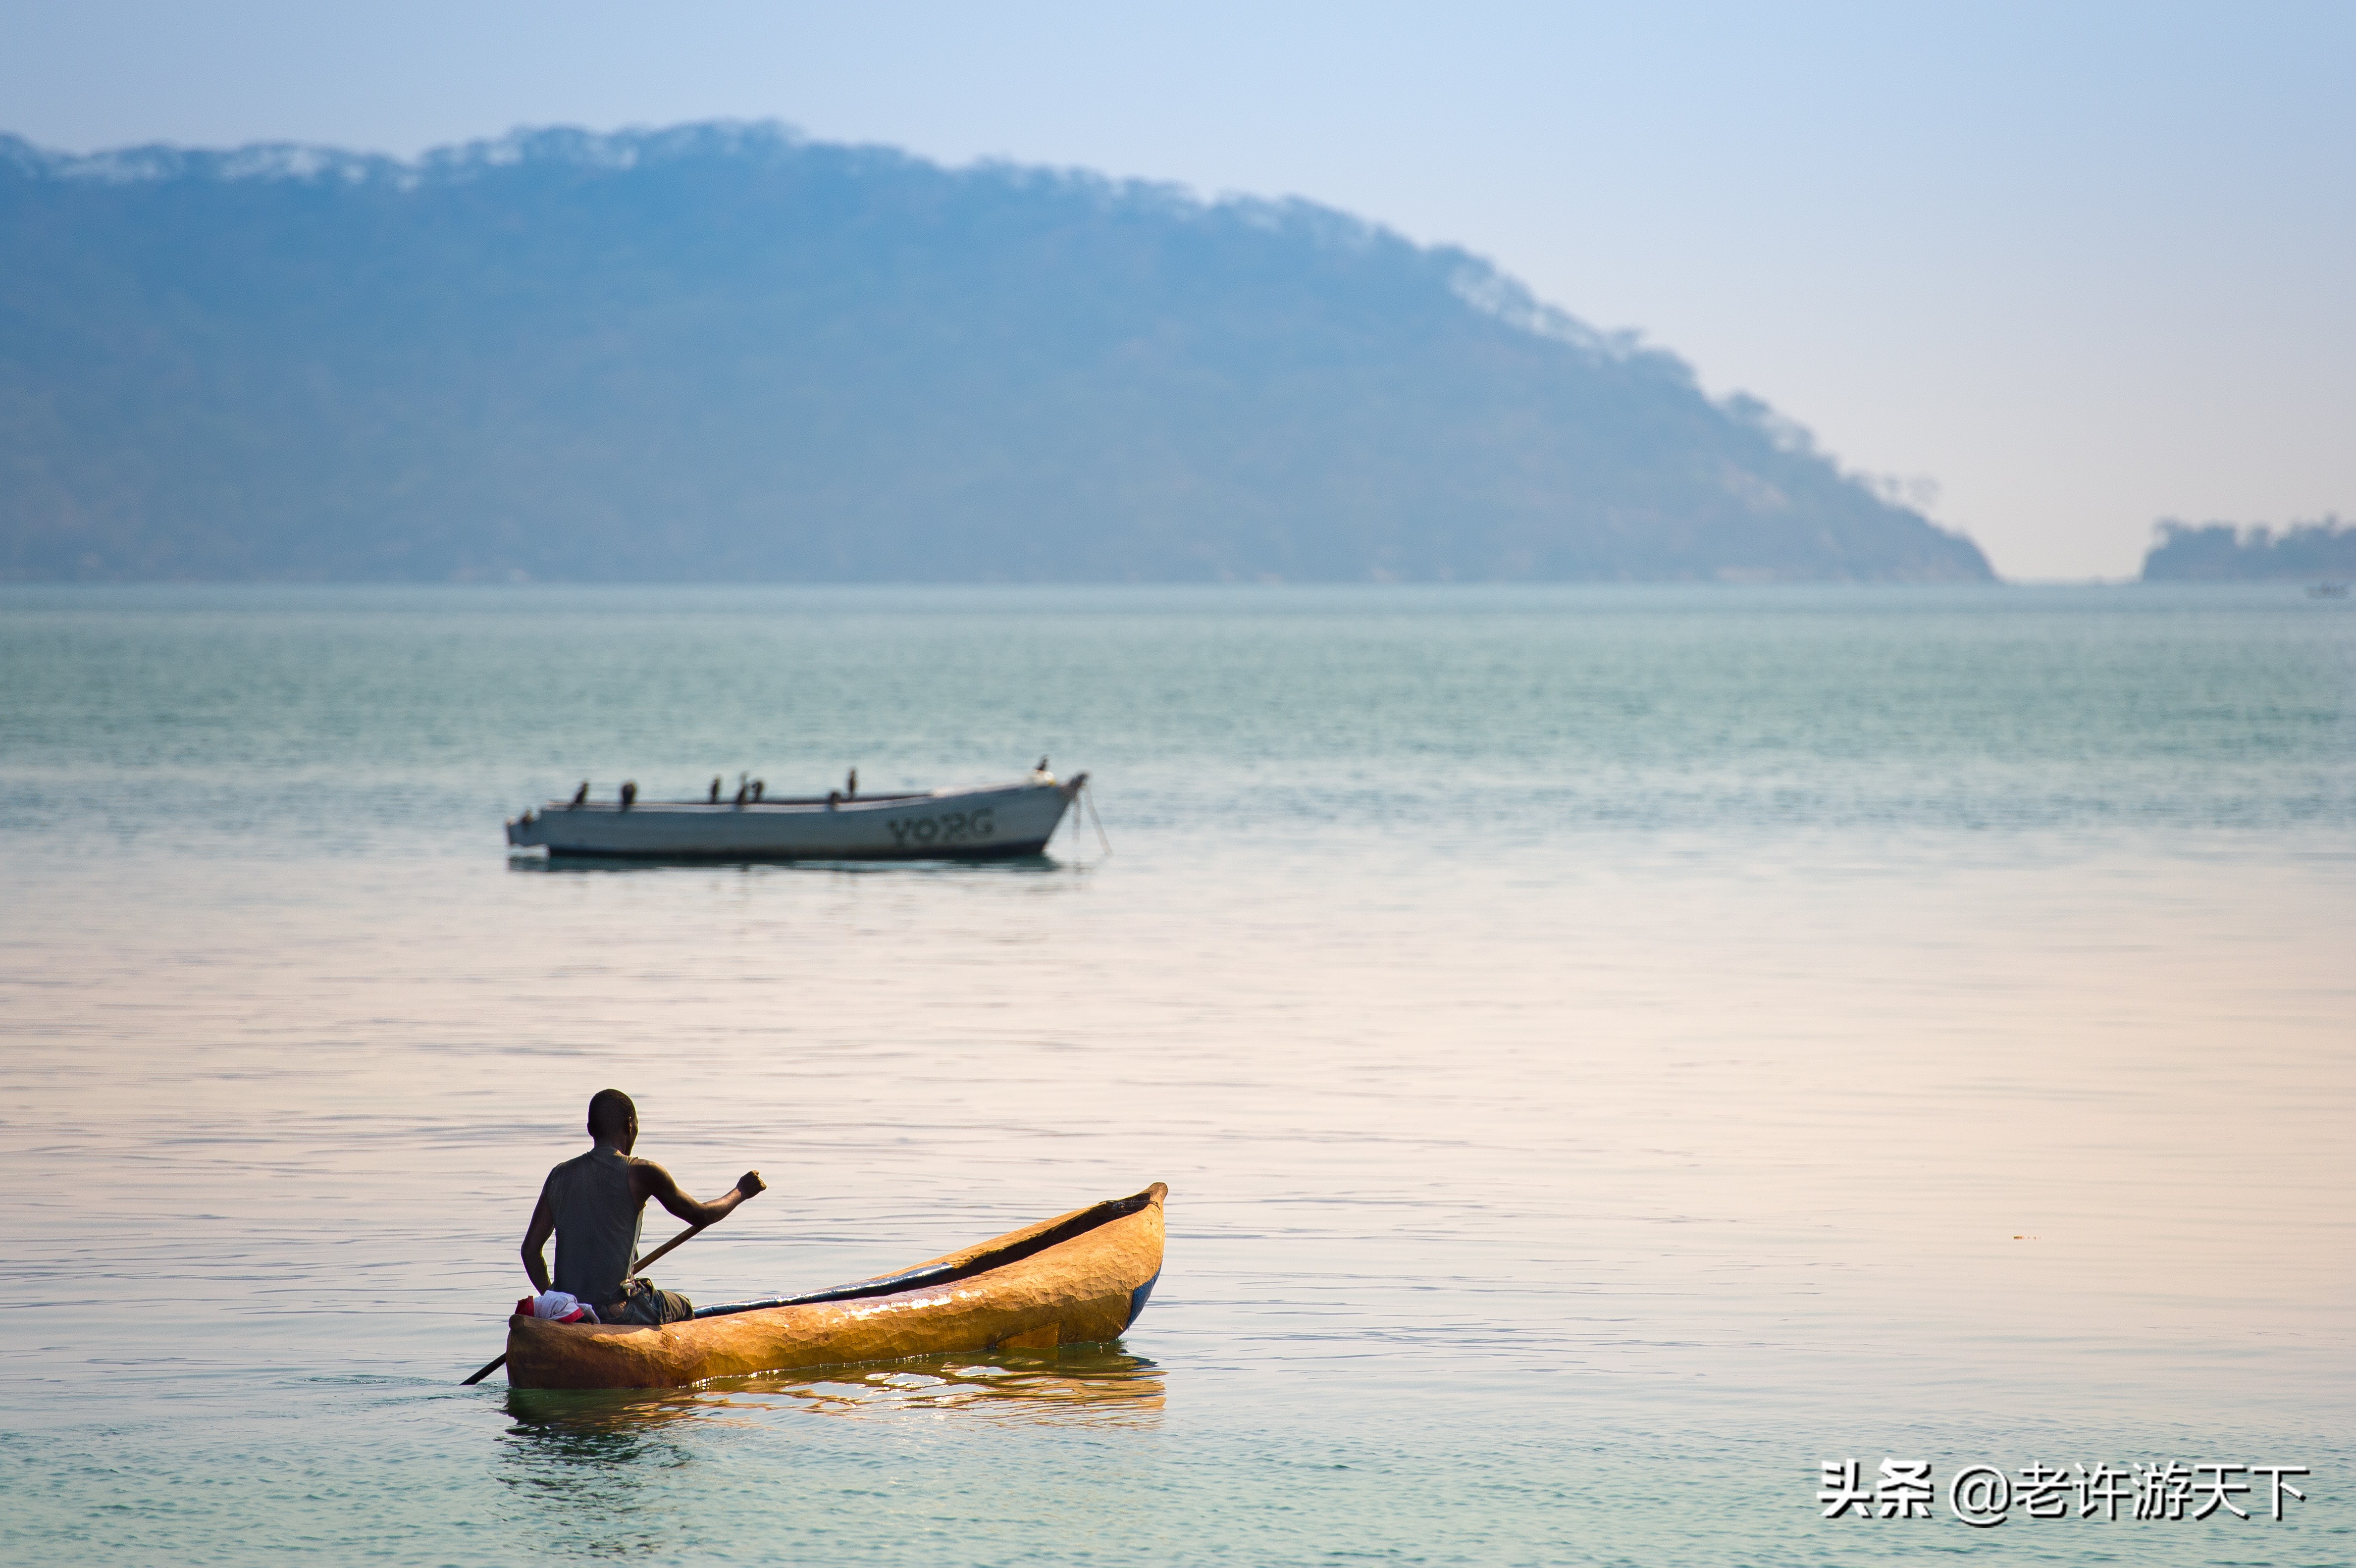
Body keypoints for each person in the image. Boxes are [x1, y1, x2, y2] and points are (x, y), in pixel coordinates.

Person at [521, 1089, 765, 1325]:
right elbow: (701, 1216)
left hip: (573, 1312)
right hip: (617, 1313)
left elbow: (530, 1251)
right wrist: (741, 1191)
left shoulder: (559, 1175)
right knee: (681, 1305)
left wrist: (560, 1301)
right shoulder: (641, 1172)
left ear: (590, 1130)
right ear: (630, 1125)